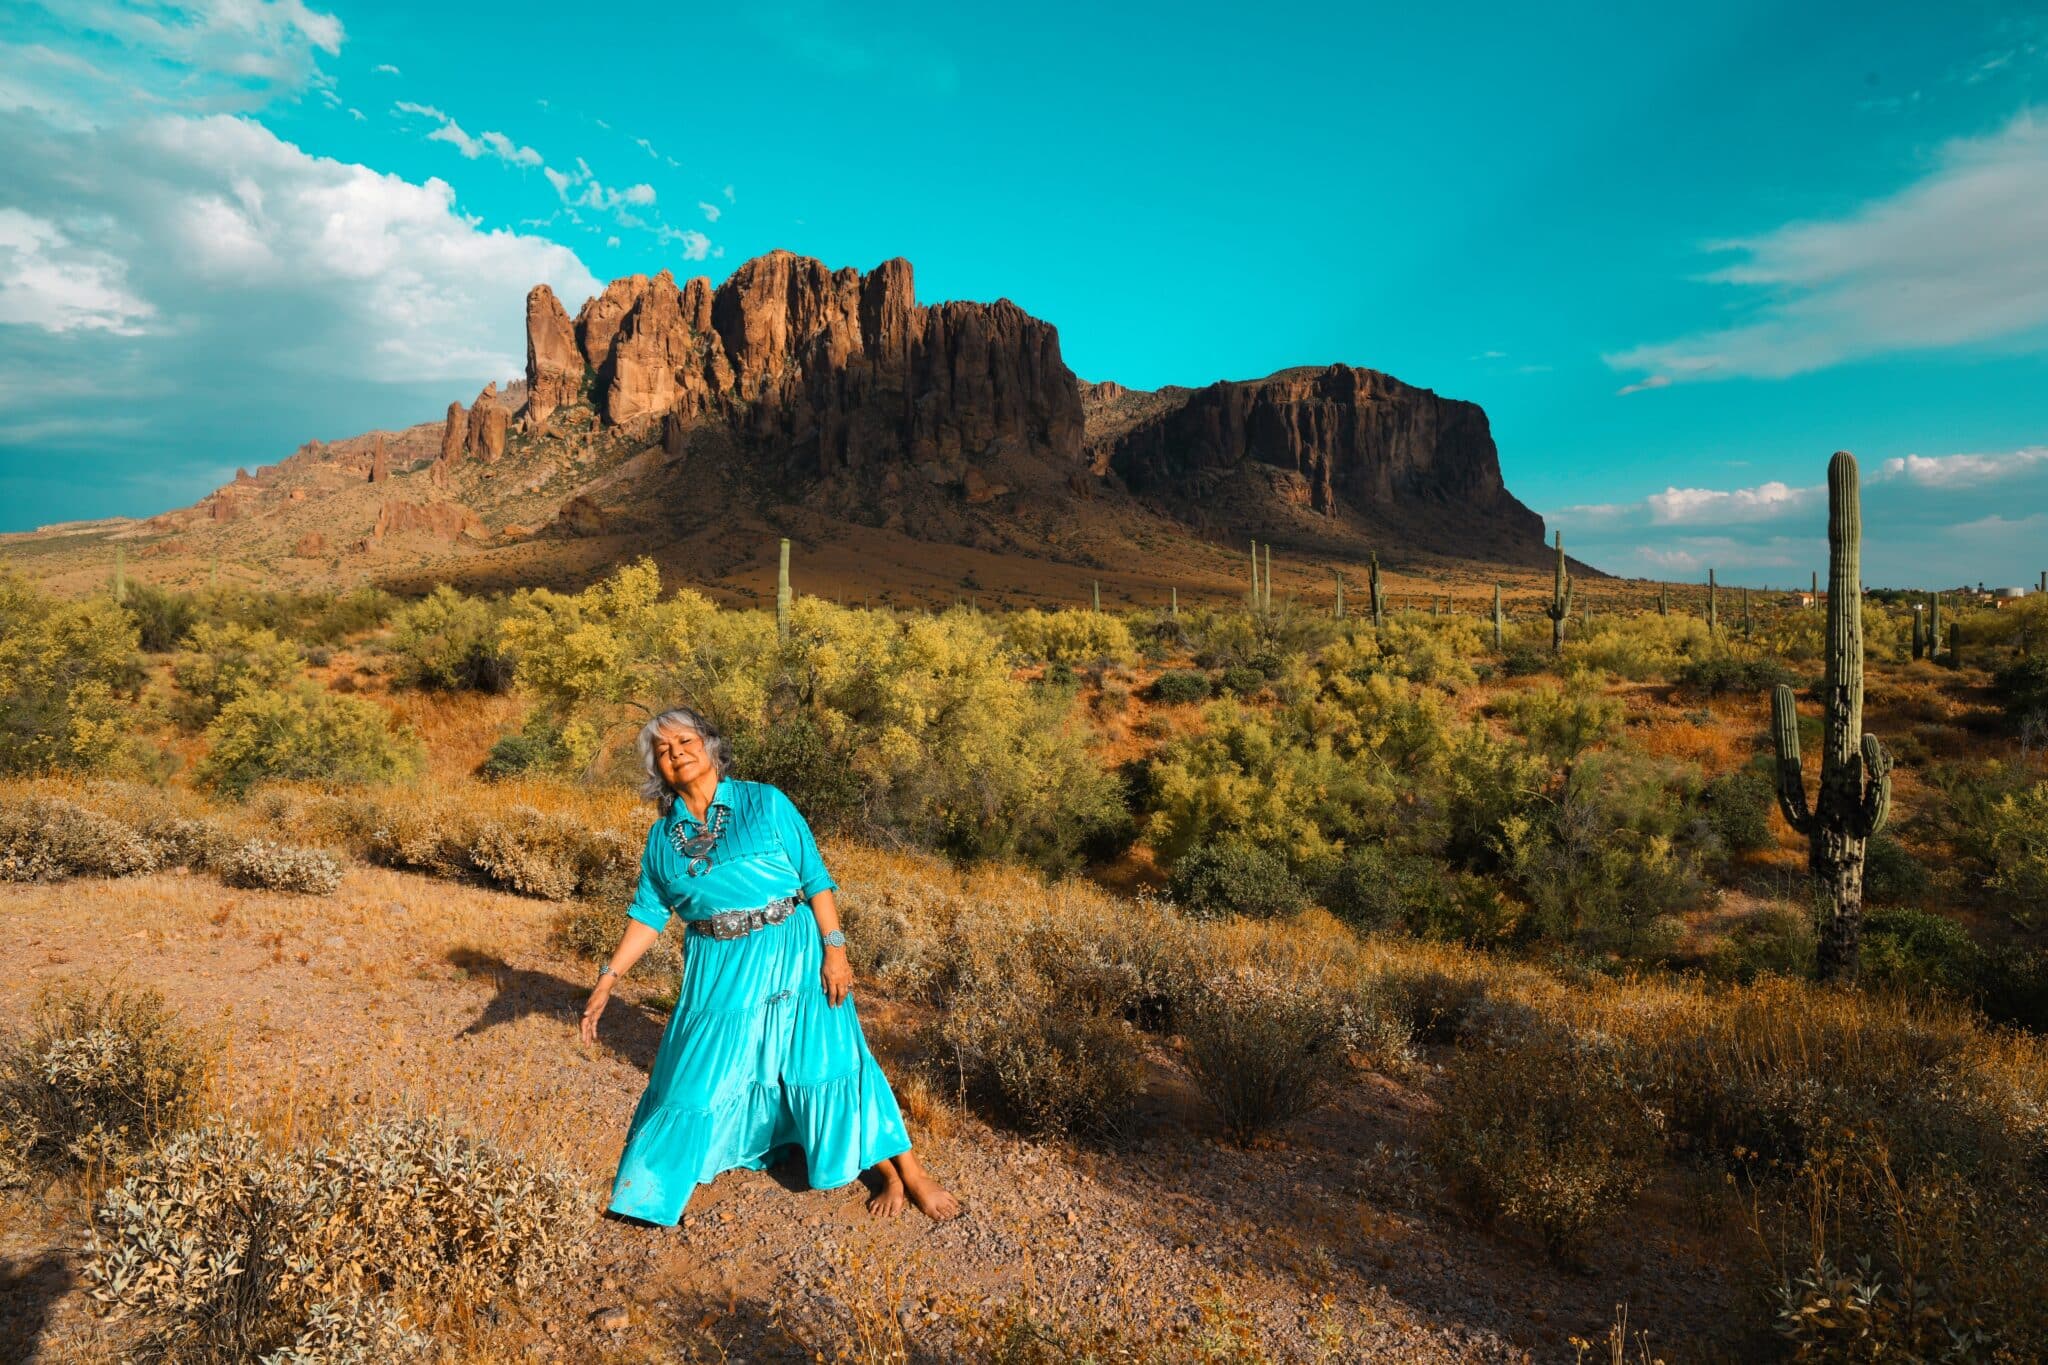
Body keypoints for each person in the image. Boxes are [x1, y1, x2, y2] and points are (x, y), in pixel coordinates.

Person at [580, 705, 959, 1224]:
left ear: (710, 746)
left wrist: (836, 949)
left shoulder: (766, 802)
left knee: (829, 1060)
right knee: (691, 1077)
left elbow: (815, 877)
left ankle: (904, 1173)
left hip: (796, 950)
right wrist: (609, 978)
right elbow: (649, 914)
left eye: (685, 742)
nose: (677, 754)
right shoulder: (661, 840)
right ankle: (652, 1188)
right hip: (719, 964)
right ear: (656, 770)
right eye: (663, 751)